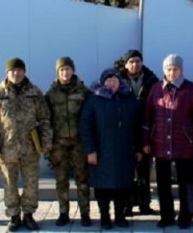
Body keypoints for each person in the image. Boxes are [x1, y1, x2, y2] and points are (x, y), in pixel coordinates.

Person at [0, 57, 49, 232]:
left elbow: (45, 119)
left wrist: (46, 142)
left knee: (31, 184)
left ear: (24, 72)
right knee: (9, 184)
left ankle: (28, 215)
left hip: (30, 148)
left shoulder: (35, 93)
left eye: (19, 70)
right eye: (13, 70)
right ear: (7, 72)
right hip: (7, 148)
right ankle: (14, 216)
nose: (16, 73)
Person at [143, 54, 193, 230]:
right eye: (169, 69)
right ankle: (167, 216)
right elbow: (148, 116)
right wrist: (146, 140)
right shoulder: (156, 89)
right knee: (163, 184)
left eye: (175, 69)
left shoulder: (190, 89)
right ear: (164, 70)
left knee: (185, 183)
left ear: (181, 70)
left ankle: (185, 216)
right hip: (160, 143)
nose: (172, 73)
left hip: (184, 145)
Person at [80, 68, 140, 229]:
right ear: (102, 82)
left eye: (115, 79)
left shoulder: (129, 98)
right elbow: (86, 127)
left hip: (124, 151)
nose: (112, 82)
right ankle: (105, 217)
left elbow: (138, 125)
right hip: (101, 152)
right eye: (108, 80)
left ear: (120, 82)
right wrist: (90, 150)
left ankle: (120, 216)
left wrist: (138, 148)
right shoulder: (94, 100)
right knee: (103, 187)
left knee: (122, 186)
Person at [44, 56, 92, 227]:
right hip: (59, 143)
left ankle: (85, 212)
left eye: (68, 69)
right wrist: (47, 143)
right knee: (61, 179)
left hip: (79, 142)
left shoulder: (84, 92)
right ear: (57, 72)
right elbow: (45, 119)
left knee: (82, 179)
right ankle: (63, 212)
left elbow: (91, 117)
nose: (65, 72)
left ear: (73, 70)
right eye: (62, 70)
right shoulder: (51, 94)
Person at [117, 49, 159, 216]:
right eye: (131, 61)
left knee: (144, 172)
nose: (135, 64)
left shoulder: (151, 80)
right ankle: (126, 206)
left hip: (145, 130)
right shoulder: (117, 80)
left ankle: (144, 204)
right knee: (126, 172)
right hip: (124, 132)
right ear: (126, 64)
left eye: (138, 61)